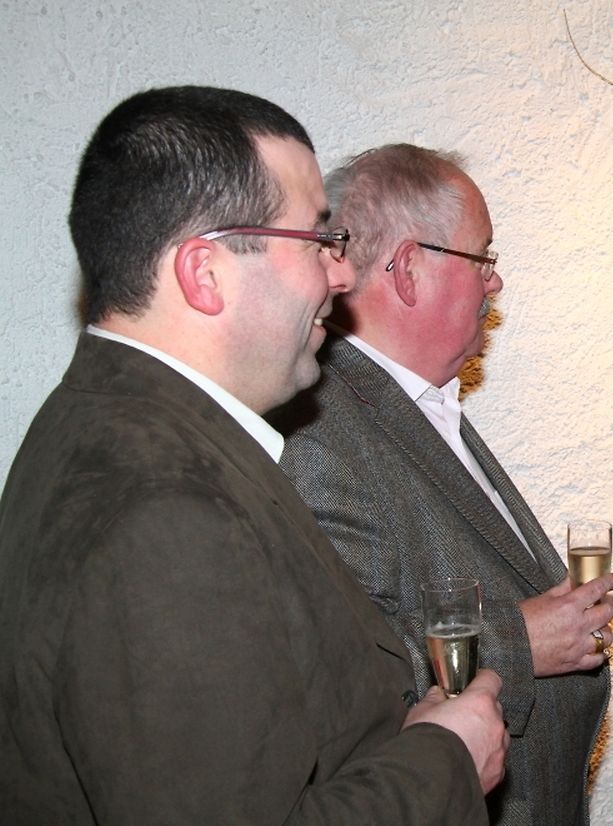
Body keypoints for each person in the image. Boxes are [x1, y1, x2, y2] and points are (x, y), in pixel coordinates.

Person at [0, 86, 508, 823]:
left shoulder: (109, 422)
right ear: (205, 274)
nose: (342, 274)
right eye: (316, 240)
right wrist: (446, 758)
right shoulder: (165, 509)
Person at [274, 143, 613, 826]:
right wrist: (519, 641)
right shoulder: (320, 434)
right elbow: (333, 672)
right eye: (482, 258)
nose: (495, 282)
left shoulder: (416, 405)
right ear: (408, 269)